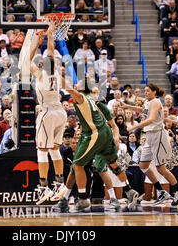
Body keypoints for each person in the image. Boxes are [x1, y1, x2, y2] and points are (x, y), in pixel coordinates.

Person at [52, 84, 139, 213]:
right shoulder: (92, 101)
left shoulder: (86, 99)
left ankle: (84, 198)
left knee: (88, 168)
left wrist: (57, 75)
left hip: (95, 135)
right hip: (92, 135)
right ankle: (128, 190)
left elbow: (113, 125)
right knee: (78, 168)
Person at [126, 84, 178, 206]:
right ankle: (161, 190)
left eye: (148, 91)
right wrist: (127, 106)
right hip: (149, 135)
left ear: (154, 92)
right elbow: (142, 110)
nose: (146, 93)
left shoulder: (156, 102)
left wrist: (134, 126)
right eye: (145, 91)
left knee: (161, 168)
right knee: (143, 165)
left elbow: (152, 119)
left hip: (158, 135)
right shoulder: (147, 102)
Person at [28, 23, 68, 204]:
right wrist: (49, 37)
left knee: (42, 151)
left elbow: (27, 62)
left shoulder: (41, 74)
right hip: (61, 112)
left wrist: (39, 40)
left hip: (48, 112)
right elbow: (51, 51)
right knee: (55, 150)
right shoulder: (57, 74)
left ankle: (43, 188)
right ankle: (60, 183)